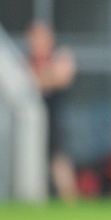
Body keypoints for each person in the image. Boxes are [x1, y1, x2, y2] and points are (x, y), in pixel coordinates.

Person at [25, 20, 79, 203]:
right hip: (30, 122)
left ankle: (70, 202)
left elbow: (60, 78)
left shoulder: (60, 56)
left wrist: (39, 78)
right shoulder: (27, 60)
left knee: (59, 161)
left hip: (54, 118)